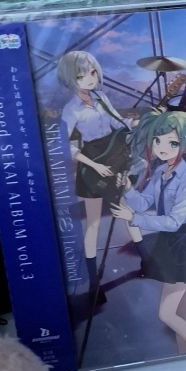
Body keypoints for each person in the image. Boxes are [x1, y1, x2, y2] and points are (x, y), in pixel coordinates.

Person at [110, 109, 186, 352]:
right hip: (168, 244)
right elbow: (144, 202)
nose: (162, 148)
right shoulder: (162, 171)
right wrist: (129, 189)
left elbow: (175, 221)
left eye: (172, 143)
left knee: (166, 314)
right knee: (180, 312)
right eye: (158, 140)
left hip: (183, 245)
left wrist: (134, 218)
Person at [57, 50, 130, 303]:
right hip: (92, 162)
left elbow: (118, 123)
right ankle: (94, 282)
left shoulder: (102, 97)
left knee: (126, 209)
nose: (89, 78)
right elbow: (66, 145)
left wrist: (131, 126)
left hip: (114, 156)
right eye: (81, 75)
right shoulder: (70, 109)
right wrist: (94, 166)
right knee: (94, 223)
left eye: (92, 72)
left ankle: (147, 259)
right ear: (70, 78)